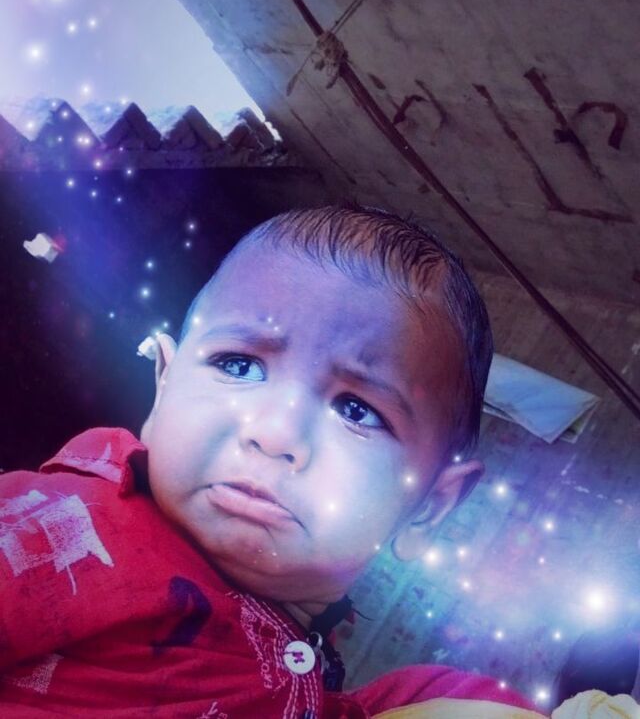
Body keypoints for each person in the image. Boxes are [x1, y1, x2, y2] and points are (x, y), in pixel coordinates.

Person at [0, 204, 539, 717]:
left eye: (357, 410)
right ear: (163, 386)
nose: (275, 433)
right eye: (238, 366)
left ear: (427, 507)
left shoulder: (395, 699)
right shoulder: (63, 523)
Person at [550, 627, 640, 710]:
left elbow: (623, 689)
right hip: (578, 687)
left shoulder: (631, 657)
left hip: (594, 698)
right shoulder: (603, 636)